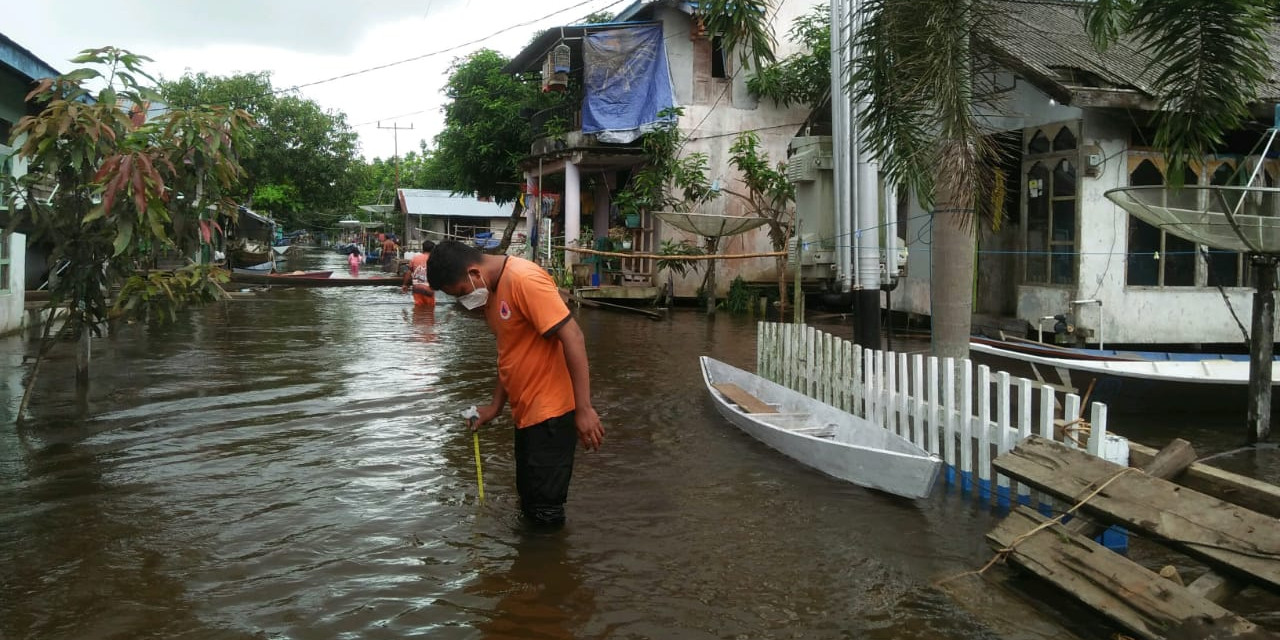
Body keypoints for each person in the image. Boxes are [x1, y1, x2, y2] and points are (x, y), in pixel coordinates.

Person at [427, 240, 604, 528]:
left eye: (461, 293)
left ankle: (547, 568)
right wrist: (495, 407)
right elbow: (509, 352)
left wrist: (584, 408)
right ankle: (532, 568)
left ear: (474, 273)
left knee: (546, 512)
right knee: (529, 502)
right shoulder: (491, 295)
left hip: (552, 415)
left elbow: (573, 336)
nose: (464, 301)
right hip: (526, 415)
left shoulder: (524, 279)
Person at [401, 240, 436, 306]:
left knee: (418, 308)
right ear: (433, 249)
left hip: (417, 288)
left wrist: (405, 285)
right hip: (428, 288)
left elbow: (409, 273)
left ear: (423, 249)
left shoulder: (415, 258)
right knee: (430, 310)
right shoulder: (434, 259)